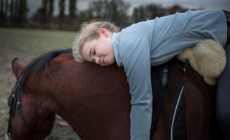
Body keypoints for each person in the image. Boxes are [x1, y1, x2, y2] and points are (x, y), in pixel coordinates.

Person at [72, 9, 230, 140]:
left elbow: (141, 100)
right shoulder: (128, 39)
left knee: (226, 113)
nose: (97, 60)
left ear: (104, 33)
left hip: (225, 29)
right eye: (92, 60)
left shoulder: (129, 43)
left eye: (94, 52)